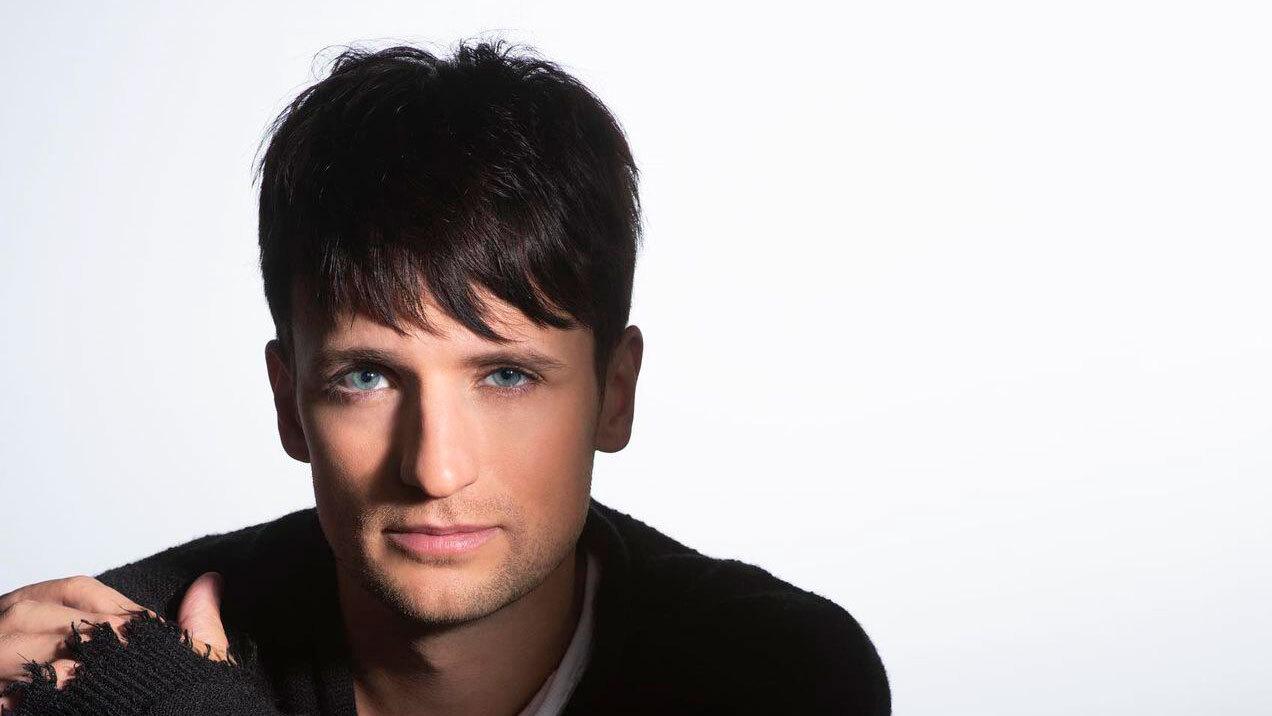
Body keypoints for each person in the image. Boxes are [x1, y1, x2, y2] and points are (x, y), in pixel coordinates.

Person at [0, 41, 889, 715]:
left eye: (505, 376)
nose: (434, 469)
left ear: (613, 395)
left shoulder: (771, 675)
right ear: (289, 403)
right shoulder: (104, 662)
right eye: (367, 378)